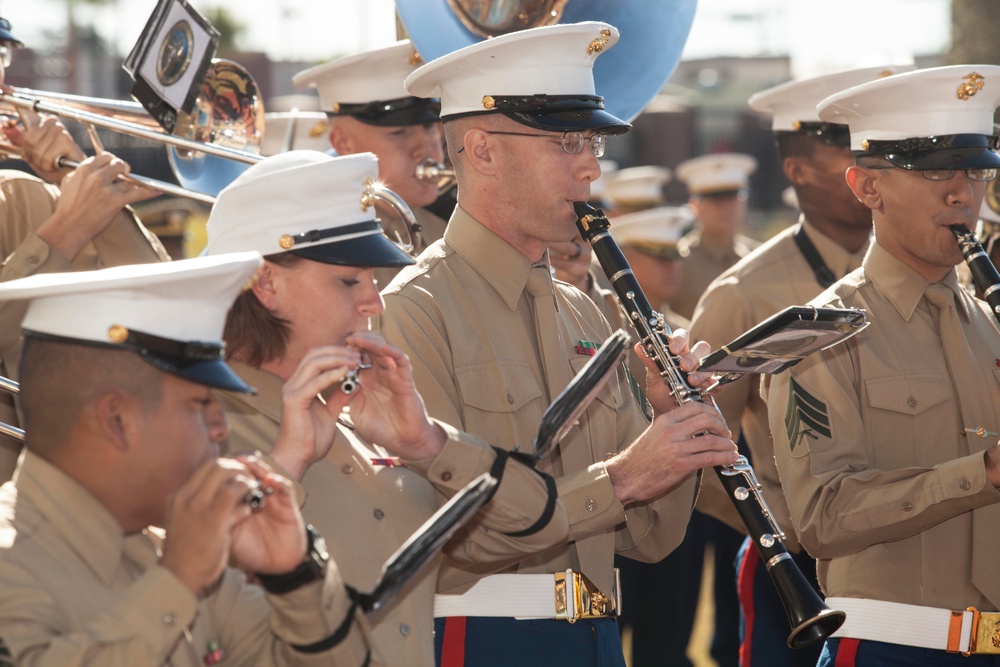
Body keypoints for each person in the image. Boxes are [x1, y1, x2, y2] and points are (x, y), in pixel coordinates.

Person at [379, 22, 739, 665]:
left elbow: (650, 542)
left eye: (593, 141)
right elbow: (450, 532)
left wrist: (671, 426)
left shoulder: (587, 315)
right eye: (566, 141)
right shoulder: (413, 309)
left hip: (598, 639)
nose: (592, 165)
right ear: (483, 150)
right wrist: (623, 478)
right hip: (483, 642)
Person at [204, 149, 570, 666]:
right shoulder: (203, 426)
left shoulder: (364, 419)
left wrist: (428, 443)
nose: (374, 302)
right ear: (266, 284)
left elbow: (542, 523)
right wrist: (283, 468)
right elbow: (190, 603)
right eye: (350, 280)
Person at [0, 253, 372, 665]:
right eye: (199, 405)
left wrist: (294, 578)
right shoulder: (12, 564)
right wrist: (175, 582)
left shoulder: (174, 552)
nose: (220, 428)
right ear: (117, 420)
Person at [766, 64, 1000, 666]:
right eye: (934, 171)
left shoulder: (990, 322)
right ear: (867, 187)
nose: (963, 193)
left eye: (976, 170)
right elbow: (822, 517)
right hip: (892, 647)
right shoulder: (820, 333)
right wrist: (983, 474)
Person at [689, 65, 910, 667]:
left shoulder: (928, 273)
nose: (869, 159)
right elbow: (697, 444)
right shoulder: (744, 291)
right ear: (798, 170)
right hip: (799, 566)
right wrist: (784, 526)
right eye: (845, 145)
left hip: (914, 554)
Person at [0, 15, 166, 481]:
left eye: (0, 56)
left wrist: (82, 186)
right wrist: (66, 230)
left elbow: (159, 309)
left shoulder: (19, 196)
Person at [293, 41, 451, 287]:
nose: (426, 147)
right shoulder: (323, 246)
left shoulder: (446, 231)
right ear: (343, 143)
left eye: (430, 126)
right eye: (399, 132)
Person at [671, 153, 759, 320]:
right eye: (715, 200)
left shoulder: (758, 256)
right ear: (695, 206)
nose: (725, 208)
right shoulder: (678, 261)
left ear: (743, 202)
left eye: (732, 198)